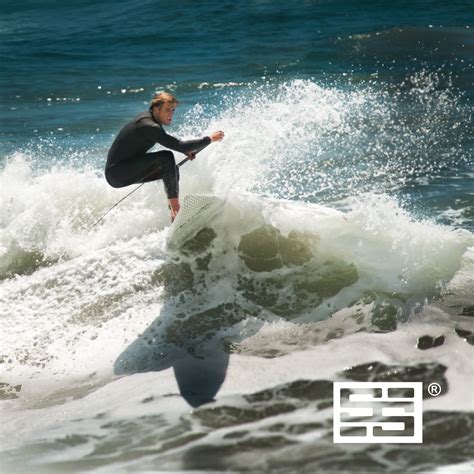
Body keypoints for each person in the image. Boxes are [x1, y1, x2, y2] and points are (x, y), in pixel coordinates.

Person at [105, 92, 224, 221]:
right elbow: (180, 145)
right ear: (156, 108)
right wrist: (209, 139)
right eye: (167, 110)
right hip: (117, 173)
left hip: (122, 171)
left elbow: (173, 144)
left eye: (173, 110)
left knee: (171, 168)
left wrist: (185, 151)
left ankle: (173, 213)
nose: (171, 114)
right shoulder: (148, 125)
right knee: (166, 158)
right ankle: (176, 211)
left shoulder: (151, 122)